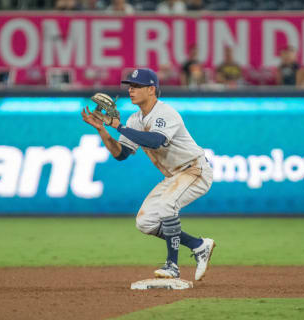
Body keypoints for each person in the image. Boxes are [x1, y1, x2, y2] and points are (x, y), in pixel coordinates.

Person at [81, 68, 216, 280]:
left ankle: (172, 266)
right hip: (174, 176)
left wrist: (119, 126)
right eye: (130, 86)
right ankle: (198, 245)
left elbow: (156, 140)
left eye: (136, 86)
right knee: (145, 223)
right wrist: (103, 130)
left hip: (195, 170)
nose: (131, 90)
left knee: (166, 206)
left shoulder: (165, 112)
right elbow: (121, 154)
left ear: (151, 89)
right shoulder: (136, 119)